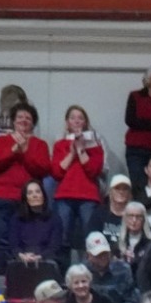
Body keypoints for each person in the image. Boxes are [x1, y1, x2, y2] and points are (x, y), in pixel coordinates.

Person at [0, 104, 50, 261]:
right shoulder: (1, 141)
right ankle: (0, 282)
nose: (24, 120)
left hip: (28, 202)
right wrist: (13, 150)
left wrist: (26, 152)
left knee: (27, 244)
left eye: (28, 118)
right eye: (20, 117)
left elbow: (43, 169)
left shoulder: (40, 145)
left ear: (33, 123)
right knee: (2, 244)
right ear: (13, 121)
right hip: (1, 200)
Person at [50, 105, 105, 252]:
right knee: (62, 237)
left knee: (91, 238)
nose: (76, 121)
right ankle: (61, 271)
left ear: (85, 122)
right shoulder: (60, 144)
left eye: (80, 118)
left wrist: (81, 150)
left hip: (88, 196)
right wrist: (72, 153)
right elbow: (56, 172)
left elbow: (94, 171)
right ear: (67, 122)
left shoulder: (95, 145)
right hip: (64, 195)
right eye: (73, 118)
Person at [10, 181, 65, 275]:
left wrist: (40, 257)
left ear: (43, 196)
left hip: (46, 260)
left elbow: (55, 246)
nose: (34, 195)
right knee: (13, 266)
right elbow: (14, 244)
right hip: (22, 259)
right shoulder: (16, 219)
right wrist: (22, 255)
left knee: (49, 265)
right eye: (30, 193)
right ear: (25, 198)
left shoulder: (54, 218)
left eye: (37, 192)